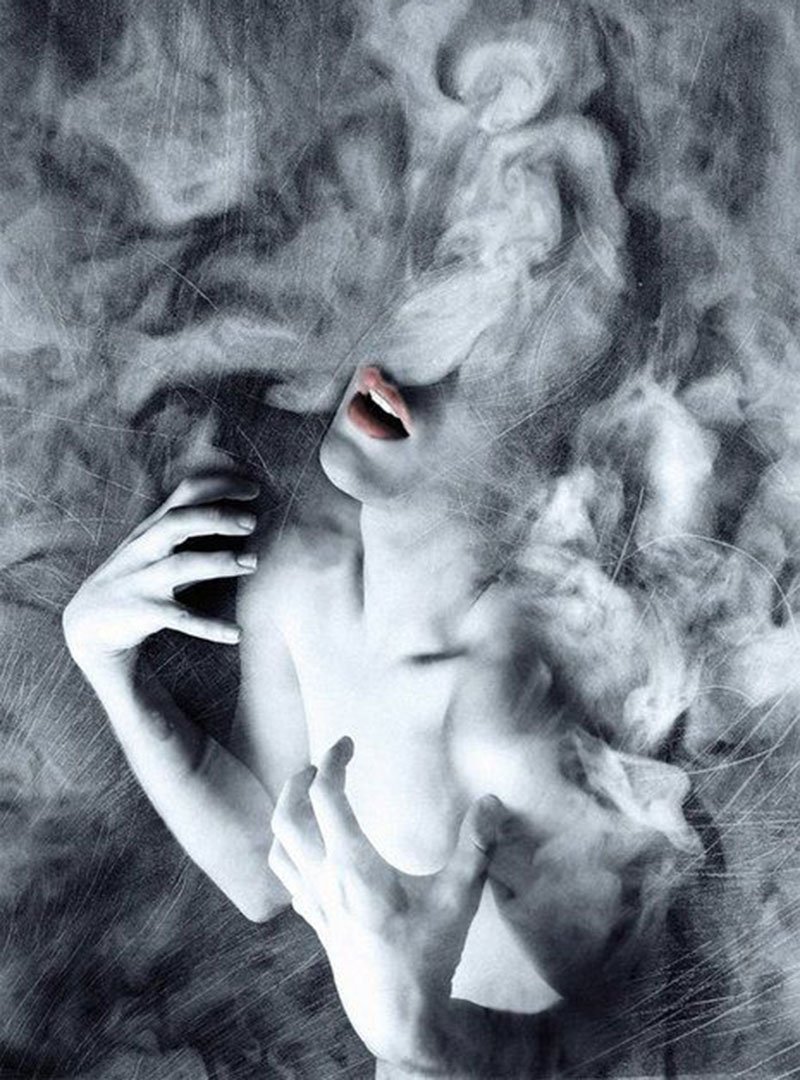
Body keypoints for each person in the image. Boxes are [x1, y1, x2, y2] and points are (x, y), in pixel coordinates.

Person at [62, 83, 698, 1078]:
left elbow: (635, 1051)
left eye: (487, 360)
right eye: (435, 287)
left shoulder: (501, 709)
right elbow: (264, 869)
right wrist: (106, 666)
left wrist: (427, 1041)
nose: (405, 372)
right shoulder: (301, 580)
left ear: (550, 457)